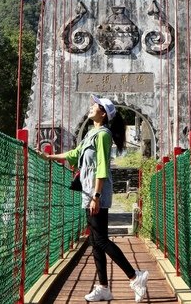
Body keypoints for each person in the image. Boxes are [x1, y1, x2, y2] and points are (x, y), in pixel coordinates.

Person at [44, 95, 149, 302]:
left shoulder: (102, 135)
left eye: (95, 105)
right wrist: (50, 157)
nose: (91, 107)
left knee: (100, 239)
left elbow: (102, 166)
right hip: (89, 192)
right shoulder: (91, 133)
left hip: (95, 193)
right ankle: (103, 287)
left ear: (103, 113)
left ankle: (135, 276)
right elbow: (75, 154)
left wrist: (97, 196)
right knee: (94, 240)